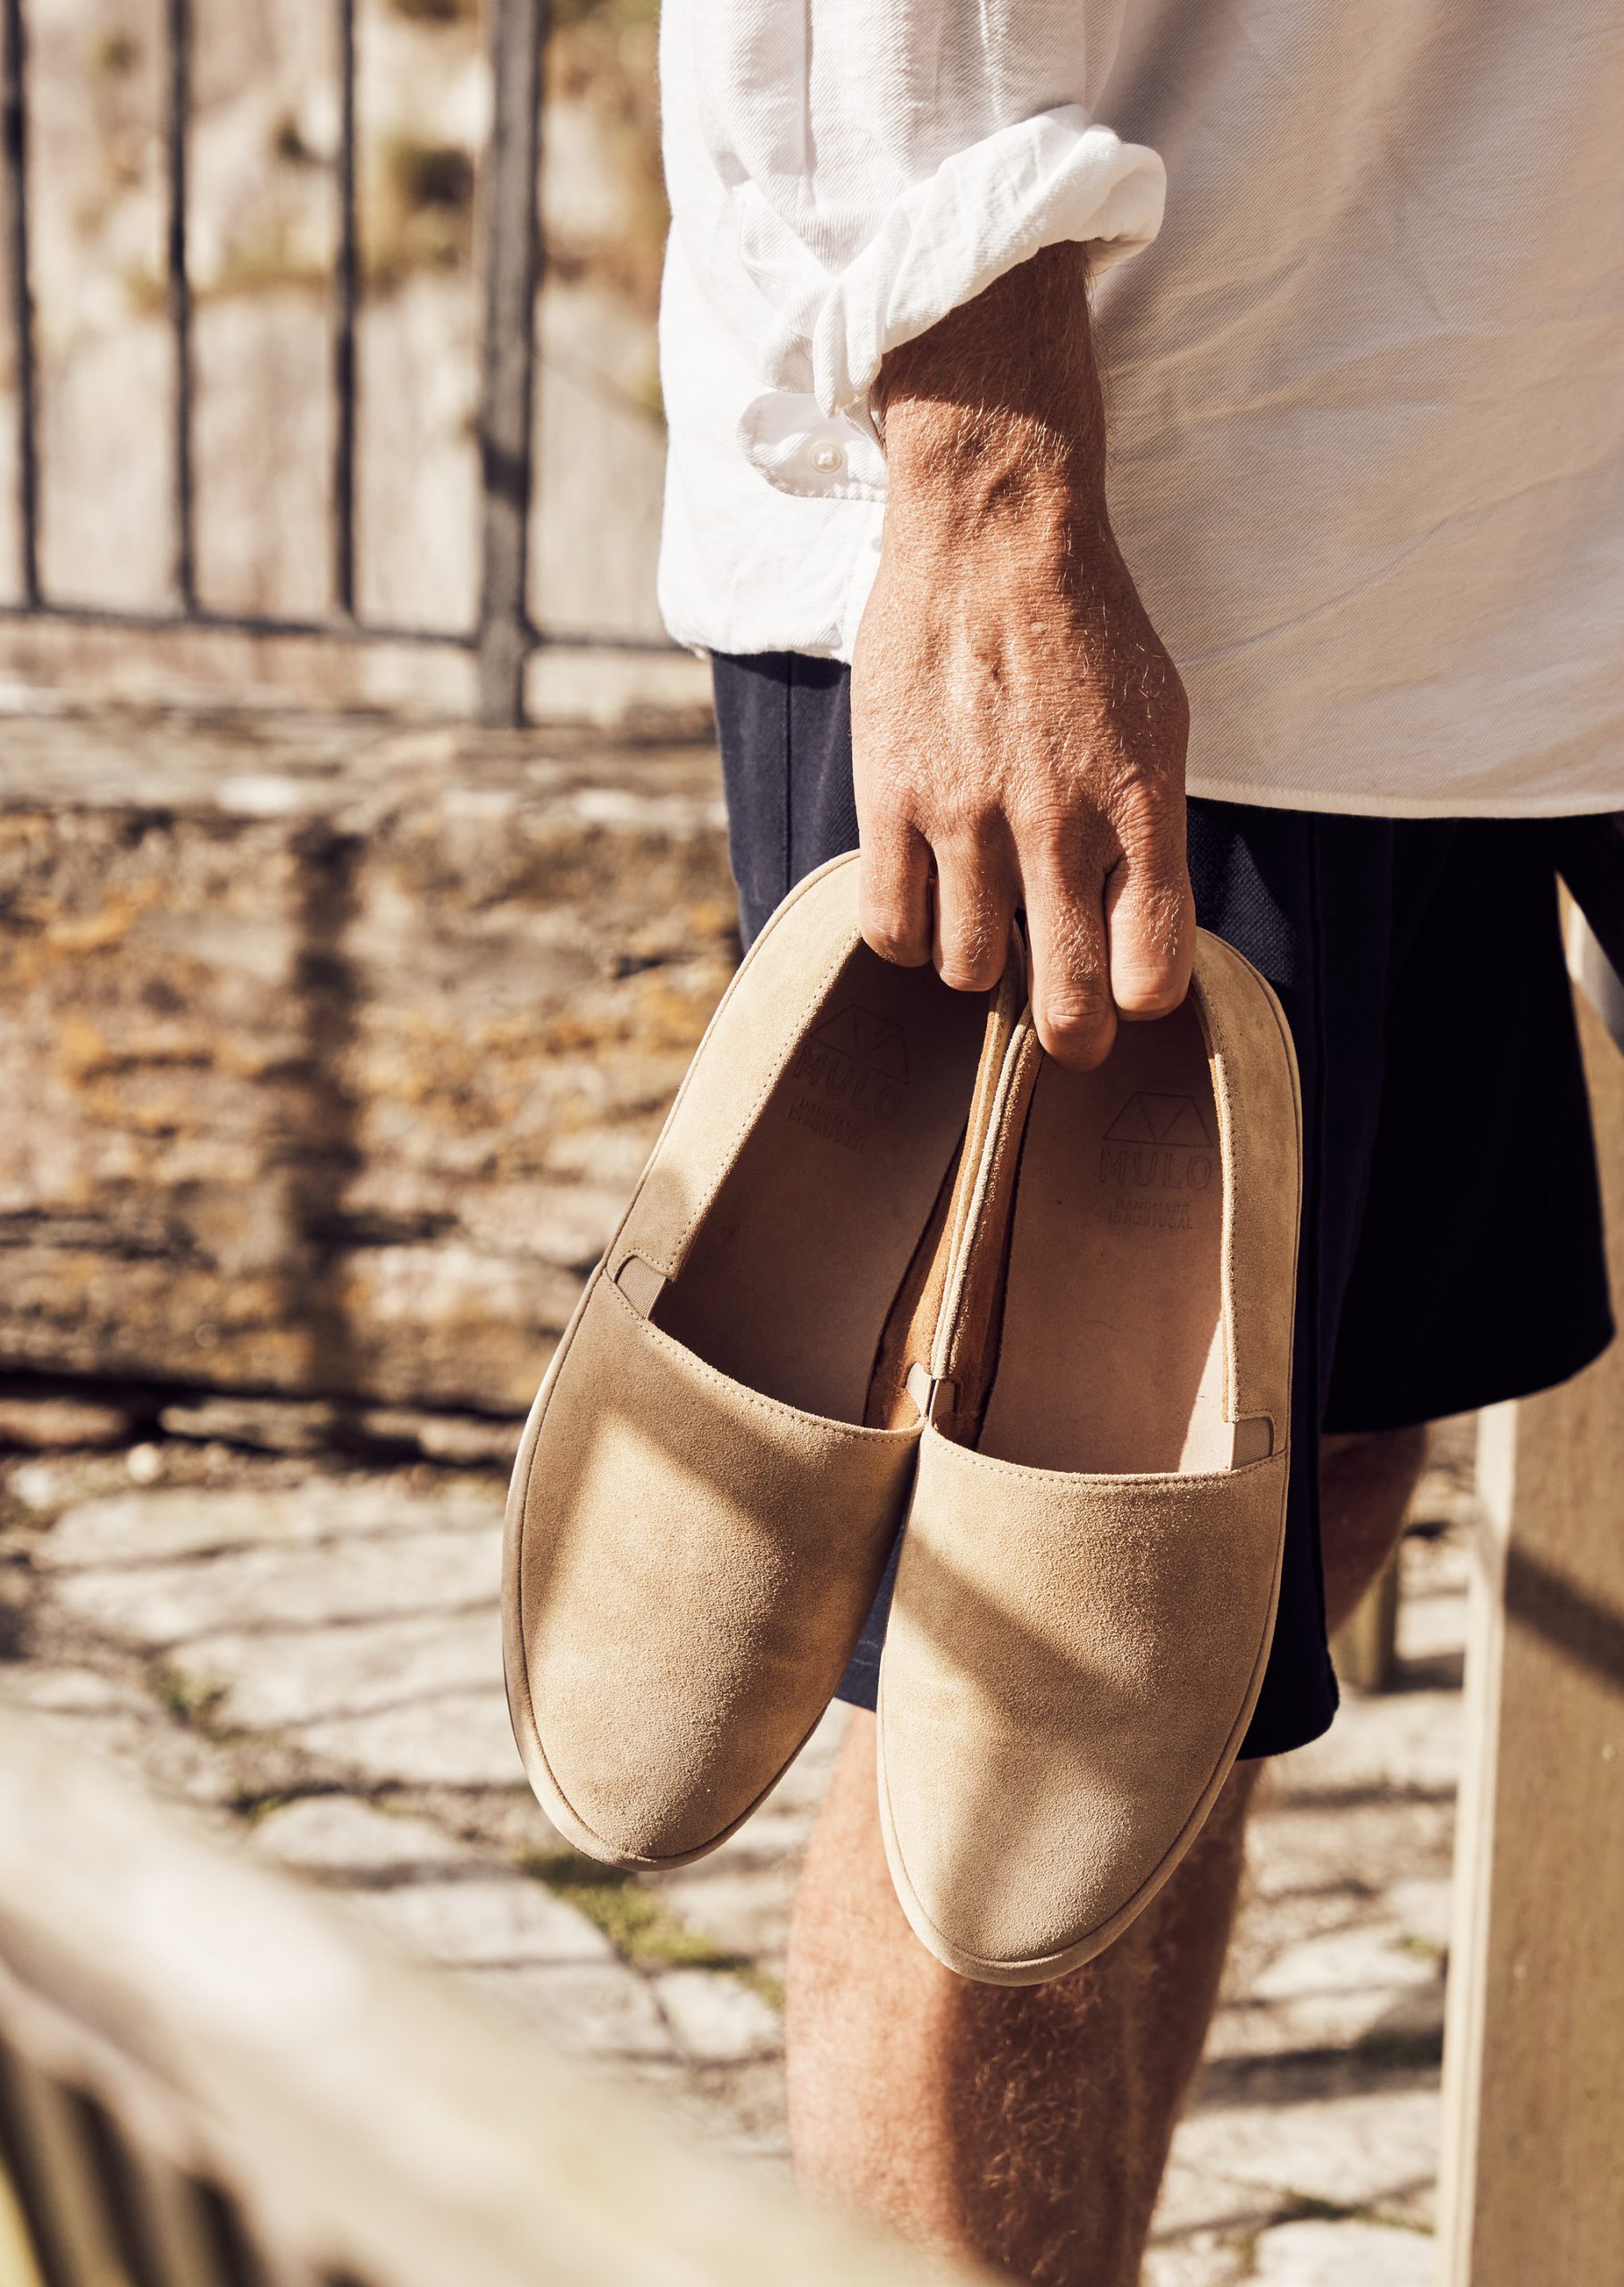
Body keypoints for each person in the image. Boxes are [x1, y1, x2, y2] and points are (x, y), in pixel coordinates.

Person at [654, 4, 1622, 2276]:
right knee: (1043, 1660)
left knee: (1309, 1483)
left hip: (1509, 470)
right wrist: (978, 461)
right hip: (1151, 471)